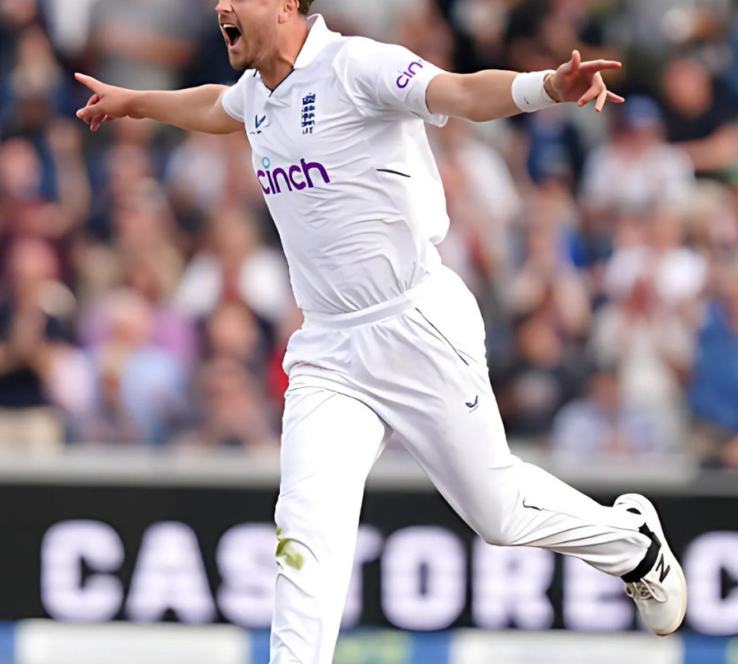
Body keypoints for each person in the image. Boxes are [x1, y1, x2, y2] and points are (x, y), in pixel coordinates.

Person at [74, 1, 687, 660]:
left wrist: (545, 87)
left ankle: (633, 542)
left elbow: (459, 92)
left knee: (499, 514)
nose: (221, 5)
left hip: (416, 324)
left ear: (285, 6)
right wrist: (135, 102)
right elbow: (216, 106)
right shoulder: (258, 91)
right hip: (328, 349)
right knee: (306, 529)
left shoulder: (356, 65)